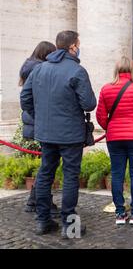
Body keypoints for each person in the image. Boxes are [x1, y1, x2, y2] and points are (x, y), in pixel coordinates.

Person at [20, 31, 97, 238]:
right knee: (70, 176)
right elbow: (89, 103)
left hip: (46, 133)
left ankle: (43, 221)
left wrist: (41, 117)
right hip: (70, 134)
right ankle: (68, 225)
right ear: (72, 46)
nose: (78, 48)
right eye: (78, 44)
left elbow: (25, 99)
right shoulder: (77, 71)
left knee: (45, 174)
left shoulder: (39, 69)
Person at [96, 56, 133, 225]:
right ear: (132, 70)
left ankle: (120, 213)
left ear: (116, 70)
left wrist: (111, 127)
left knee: (117, 174)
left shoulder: (106, 89)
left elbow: (100, 116)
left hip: (114, 137)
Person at [18, 41, 60, 217]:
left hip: (35, 121)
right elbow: (31, 99)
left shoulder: (29, 68)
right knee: (48, 166)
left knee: (47, 164)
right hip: (41, 122)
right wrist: (41, 115)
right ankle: (42, 203)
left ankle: (35, 200)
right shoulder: (40, 70)